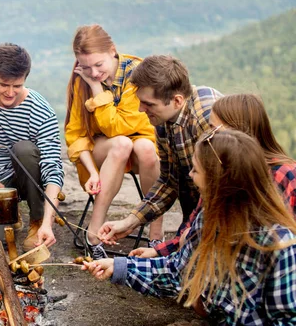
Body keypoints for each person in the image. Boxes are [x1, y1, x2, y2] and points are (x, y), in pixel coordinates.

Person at [85, 129, 296, 325]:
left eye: (195, 169)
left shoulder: (278, 244)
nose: (190, 175)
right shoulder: (207, 218)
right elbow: (177, 272)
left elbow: (285, 319)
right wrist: (119, 267)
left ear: (219, 179)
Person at [131, 93, 296, 258]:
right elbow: (195, 226)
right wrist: (158, 251)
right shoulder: (220, 170)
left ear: (239, 132)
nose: (208, 135)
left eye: (213, 129)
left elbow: (275, 242)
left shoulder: (281, 174)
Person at [97, 55, 222, 245]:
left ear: (177, 100)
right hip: (196, 208)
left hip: (223, 214)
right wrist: (130, 222)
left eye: (148, 104)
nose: (140, 109)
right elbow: (168, 181)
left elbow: (228, 186)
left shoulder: (208, 120)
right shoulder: (164, 120)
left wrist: (188, 237)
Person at [64, 24, 163, 260]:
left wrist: (96, 89)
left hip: (140, 146)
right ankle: (93, 234)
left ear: (112, 51)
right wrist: (92, 172)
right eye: (87, 67)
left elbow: (118, 126)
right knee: (121, 144)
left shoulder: (137, 74)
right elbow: (75, 134)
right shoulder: (83, 79)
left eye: (99, 65)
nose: (94, 73)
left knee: (146, 147)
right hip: (105, 149)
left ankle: (156, 236)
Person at [0, 43, 64, 252]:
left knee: (24, 149)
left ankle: (35, 221)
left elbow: (53, 169)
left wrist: (47, 221)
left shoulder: (41, 111)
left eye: (17, 86)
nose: (9, 92)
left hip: (29, 177)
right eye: (3, 84)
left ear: (26, 78)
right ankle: (11, 213)